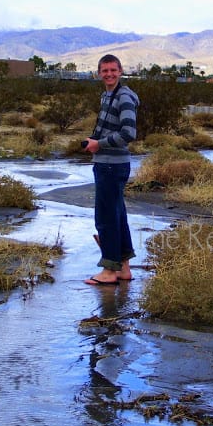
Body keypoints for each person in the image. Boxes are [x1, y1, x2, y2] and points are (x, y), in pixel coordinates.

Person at [83, 54, 139, 285]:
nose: (109, 74)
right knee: (117, 215)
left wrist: (100, 145)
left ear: (120, 71)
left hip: (111, 166)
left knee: (105, 218)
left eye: (113, 70)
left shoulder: (123, 97)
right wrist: (94, 141)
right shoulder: (107, 95)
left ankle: (108, 272)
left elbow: (128, 133)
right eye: (104, 71)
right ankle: (124, 268)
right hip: (107, 163)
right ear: (99, 73)